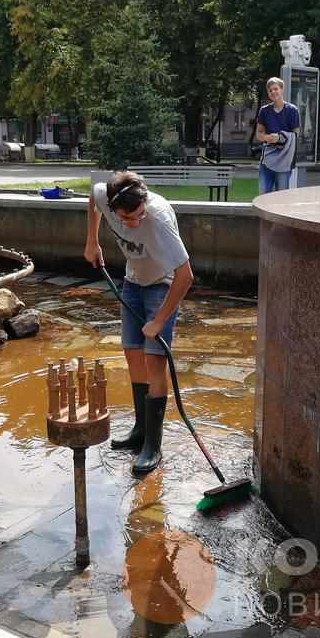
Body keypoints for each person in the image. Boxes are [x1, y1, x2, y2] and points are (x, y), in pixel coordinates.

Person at [84, 171, 193, 475]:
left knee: (154, 360)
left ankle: (153, 446)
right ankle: (139, 432)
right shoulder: (105, 195)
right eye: (127, 218)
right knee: (132, 353)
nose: (134, 223)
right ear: (115, 208)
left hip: (163, 284)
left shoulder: (158, 221)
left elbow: (186, 277)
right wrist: (92, 241)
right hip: (133, 282)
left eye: (139, 215)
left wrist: (159, 321)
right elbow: (92, 198)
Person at [255, 77, 301, 193]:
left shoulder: (292, 110)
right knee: (263, 196)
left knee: (281, 197)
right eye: (270, 90)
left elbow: (296, 134)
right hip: (267, 160)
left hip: (284, 160)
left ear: (282, 90)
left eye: (276, 89)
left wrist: (280, 138)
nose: (273, 92)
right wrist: (267, 138)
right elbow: (259, 133)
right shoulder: (264, 111)